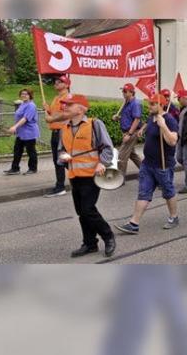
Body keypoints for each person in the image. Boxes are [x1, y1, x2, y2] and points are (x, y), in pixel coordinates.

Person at [57, 94, 116, 258]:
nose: (65, 107)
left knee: (88, 210)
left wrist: (102, 163)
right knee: (81, 212)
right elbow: (61, 150)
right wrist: (63, 157)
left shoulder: (94, 124)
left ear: (81, 108)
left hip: (92, 175)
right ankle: (90, 244)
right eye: (65, 104)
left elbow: (107, 147)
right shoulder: (64, 127)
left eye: (69, 104)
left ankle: (108, 236)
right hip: (74, 175)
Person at [115, 94, 180, 235]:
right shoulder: (152, 117)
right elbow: (148, 123)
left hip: (163, 165)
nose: (149, 106)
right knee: (143, 192)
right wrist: (142, 130)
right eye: (149, 103)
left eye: (152, 104)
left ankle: (174, 217)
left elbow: (173, 141)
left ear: (161, 105)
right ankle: (134, 223)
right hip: (147, 164)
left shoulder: (169, 120)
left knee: (168, 192)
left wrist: (163, 127)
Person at [43, 75, 70, 196]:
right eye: (55, 82)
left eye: (60, 82)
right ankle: (61, 185)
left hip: (62, 132)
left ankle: (60, 187)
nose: (56, 83)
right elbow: (54, 114)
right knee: (58, 160)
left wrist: (51, 118)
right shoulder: (56, 98)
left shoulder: (67, 98)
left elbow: (64, 115)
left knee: (62, 160)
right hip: (55, 132)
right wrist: (48, 109)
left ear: (67, 84)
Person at [5, 88, 39, 175]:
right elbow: (19, 117)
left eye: (26, 94)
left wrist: (15, 127)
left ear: (30, 95)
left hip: (29, 132)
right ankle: (15, 169)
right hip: (21, 132)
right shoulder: (23, 104)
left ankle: (33, 168)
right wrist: (16, 128)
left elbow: (25, 118)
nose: (23, 95)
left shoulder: (31, 105)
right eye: (22, 94)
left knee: (31, 151)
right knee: (17, 150)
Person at [112, 83, 143, 180]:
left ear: (131, 92)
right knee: (132, 155)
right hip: (126, 132)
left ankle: (120, 179)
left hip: (131, 132)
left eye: (125, 91)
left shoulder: (135, 103)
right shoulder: (126, 103)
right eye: (123, 91)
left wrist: (129, 134)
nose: (123, 93)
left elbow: (137, 119)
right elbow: (128, 117)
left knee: (121, 156)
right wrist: (118, 117)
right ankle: (146, 172)